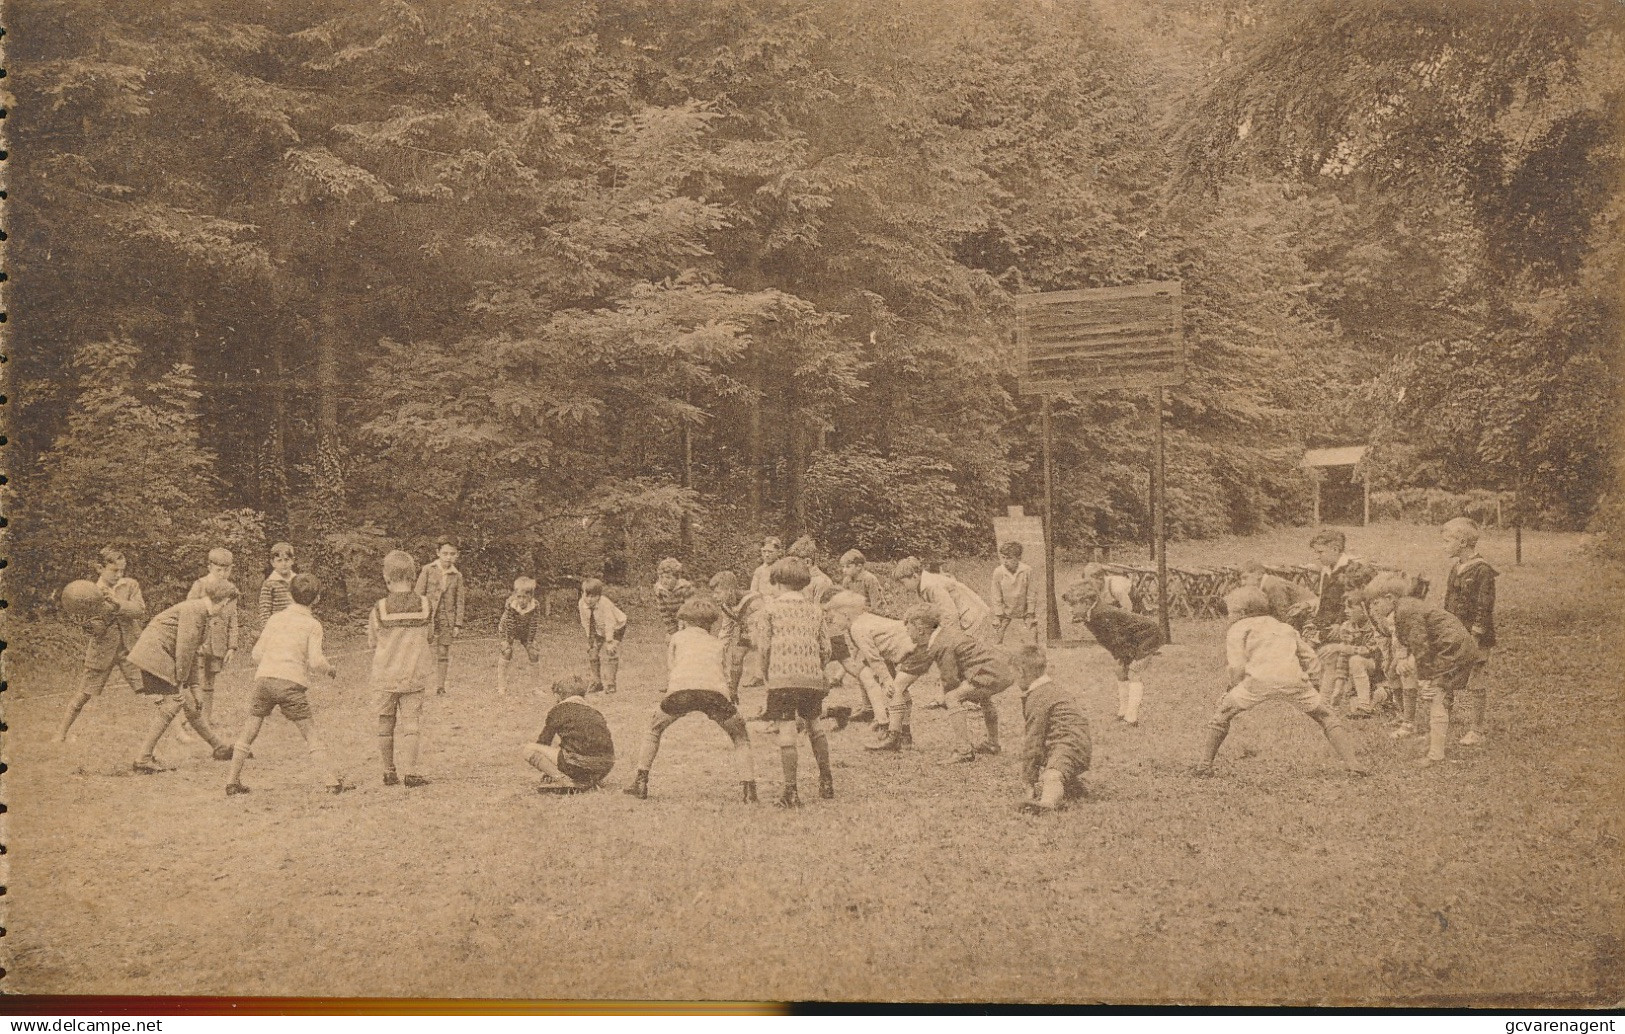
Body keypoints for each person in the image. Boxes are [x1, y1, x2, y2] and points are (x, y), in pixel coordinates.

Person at [1191, 587, 1369, 777]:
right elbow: (1310, 658)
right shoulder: (1284, 627)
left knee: (1222, 714)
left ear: (1242, 612)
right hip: (1293, 679)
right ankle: (1353, 764)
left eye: (1230, 612)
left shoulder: (1238, 628)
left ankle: (1204, 764)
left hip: (1257, 681)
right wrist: (1313, 683)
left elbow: (1237, 667)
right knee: (1326, 716)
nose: (1228, 617)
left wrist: (1231, 689)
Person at [226, 573, 351, 795]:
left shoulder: (275, 619)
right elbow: (316, 661)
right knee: (310, 733)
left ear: (289, 595)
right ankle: (331, 781)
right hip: (291, 684)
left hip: (264, 681)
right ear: (317, 598)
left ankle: (231, 781)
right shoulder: (312, 625)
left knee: (249, 730)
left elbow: (256, 654)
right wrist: (329, 669)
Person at [624, 597, 758, 803]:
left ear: (684, 620)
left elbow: (672, 667)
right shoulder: (717, 643)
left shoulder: (677, 638)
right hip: (713, 694)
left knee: (654, 729)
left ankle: (640, 781)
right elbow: (723, 674)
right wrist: (731, 695)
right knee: (740, 737)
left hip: (681, 691)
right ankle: (749, 791)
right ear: (711, 623)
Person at [1365, 573, 1481, 768]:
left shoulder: (1405, 611)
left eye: (1376, 603)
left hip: (1451, 648)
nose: (1373, 608)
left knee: (1436, 695)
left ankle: (1436, 754)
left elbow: (1421, 645)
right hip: (1446, 646)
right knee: (1436, 694)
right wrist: (1406, 661)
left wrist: (1426, 678)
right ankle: (1433, 741)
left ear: (1390, 598)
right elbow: (1411, 640)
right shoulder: (1403, 608)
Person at [126, 577, 240, 772]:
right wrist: (181, 682)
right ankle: (143, 759)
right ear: (223, 601)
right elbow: (184, 651)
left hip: (164, 656)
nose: (227, 611)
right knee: (174, 703)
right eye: (228, 605)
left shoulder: (204, 613)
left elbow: (192, 651)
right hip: (156, 655)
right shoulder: (195, 610)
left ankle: (219, 747)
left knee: (190, 704)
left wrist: (194, 687)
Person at [888, 604, 1014, 762]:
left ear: (920, 629)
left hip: (991, 672)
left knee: (952, 697)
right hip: (999, 669)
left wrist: (946, 696)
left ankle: (963, 750)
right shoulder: (945, 634)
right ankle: (992, 743)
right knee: (983, 697)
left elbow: (950, 678)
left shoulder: (940, 643)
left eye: (908, 628)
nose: (907, 633)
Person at [756, 556, 835, 807]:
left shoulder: (769, 610)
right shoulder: (815, 610)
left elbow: (764, 648)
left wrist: (766, 674)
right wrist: (817, 669)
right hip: (811, 677)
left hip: (782, 678)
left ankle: (791, 791)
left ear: (777, 582)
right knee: (815, 725)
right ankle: (826, 780)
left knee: (787, 730)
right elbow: (826, 649)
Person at [56, 547, 148, 743]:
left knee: (153, 690)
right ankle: (60, 734)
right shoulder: (88, 592)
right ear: (100, 568)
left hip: (131, 648)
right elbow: (96, 629)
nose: (119, 574)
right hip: (102, 650)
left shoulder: (130, 585)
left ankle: (177, 733)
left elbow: (139, 611)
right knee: (83, 694)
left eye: (122, 570)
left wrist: (116, 603)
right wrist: (86, 624)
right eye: (114, 570)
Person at [1062, 571, 1163, 726]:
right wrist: (1120, 658)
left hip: (1148, 635)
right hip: (1133, 638)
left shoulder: (1101, 614)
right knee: (1120, 671)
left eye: (1073, 605)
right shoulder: (1090, 614)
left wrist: (1126, 657)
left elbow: (1118, 638)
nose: (1070, 609)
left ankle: (1131, 718)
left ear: (1086, 602)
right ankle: (1123, 712)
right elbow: (1109, 640)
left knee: (1133, 672)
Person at [369, 550, 434, 788]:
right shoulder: (425, 605)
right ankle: (411, 772)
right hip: (414, 675)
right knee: (411, 725)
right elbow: (430, 636)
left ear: (386, 578)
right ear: (414, 577)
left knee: (385, 725)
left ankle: (388, 771)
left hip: (385, 677)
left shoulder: (380, 608)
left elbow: (372, 641)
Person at [824, 591, 917, 744]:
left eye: (834, 618)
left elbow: (874, 658)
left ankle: (894, 734)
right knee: (899, 690)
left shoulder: (857, 628)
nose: (833, 622)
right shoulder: (861, 621)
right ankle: (903, 734)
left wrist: (886, 680)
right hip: (906, 648)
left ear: (846, 615)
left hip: (913, 648)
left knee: (896, 689)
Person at [1441, 516, 1497, 746]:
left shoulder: (1483, 570)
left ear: (1462, 542)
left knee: (1475, 679)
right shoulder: (1455, 568)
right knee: (1446, 676)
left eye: (1447, 541)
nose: (1444, 546)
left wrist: (1475, 635)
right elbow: (1448, 602)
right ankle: (1441, 722)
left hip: (1476, 636)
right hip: (1455, 633)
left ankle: (1477, 729)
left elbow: (1485, 606)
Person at [1016, 647, 1092, 815]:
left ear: (1021, 672)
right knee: (1058, 769)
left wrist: (1028, 782)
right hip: (1075, 741)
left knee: (1051, 776)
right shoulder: (1052, 689)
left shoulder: (1038, 696)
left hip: (1068, 743)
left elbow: (1033, 741)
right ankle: (1072, 785)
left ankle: (1047, 804)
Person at [180, 547, 240, 729]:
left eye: (226, 570)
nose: (222, 574)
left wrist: (232, 646)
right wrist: (192, 640)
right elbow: (188, 611)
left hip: (218, 644)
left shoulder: (231, 590)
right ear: (209, 567)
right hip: (199, 643)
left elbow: (233, 619)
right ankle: (192, 719)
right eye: (218, 570)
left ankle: (206, 718)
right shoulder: (200, 585)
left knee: (209, 682)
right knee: (195, 682)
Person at [524, 675, 615, 792]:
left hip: (578, 764)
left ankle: (562, 780)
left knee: (529, 749)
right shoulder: (594, 712)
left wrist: (548, 769)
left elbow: (543, 742)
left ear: (558, 695)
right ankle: (588, 780)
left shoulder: (558, 710)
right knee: (570, 750)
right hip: (605, 766)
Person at [892, 556, 991, 641]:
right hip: (965, 620)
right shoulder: (921, 586)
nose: (903, 587)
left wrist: (945, 639)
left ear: (914, 576)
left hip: (974, 620)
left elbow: (950, 614)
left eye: (903, 583)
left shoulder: (932, 586)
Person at [1318, 592, 1383, 718]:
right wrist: (1339, 685)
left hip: (1378, 667)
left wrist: (1343, 647)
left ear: (1364, 609)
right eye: (1345, 608)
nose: (1346, 611)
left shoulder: (1375, 626)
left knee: (1355, 660)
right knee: (1334, 655)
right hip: (1357, 671)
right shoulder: (1347, 626)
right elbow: (1344, 656)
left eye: (1350, 607)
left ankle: (1364, 705)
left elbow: (1369, 650)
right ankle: (1325, 701)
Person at [415, 539, 466, 695]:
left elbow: (460, 601)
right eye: (445, 553)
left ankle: (440, 686)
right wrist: (417, 617)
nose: (448, 557)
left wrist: (457, 624)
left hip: (446, 619)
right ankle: (418, 684)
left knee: (443, 652)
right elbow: (418, 595)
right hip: (427, 617)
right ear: (438, 553)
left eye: (452, 554)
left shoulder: (457, 576)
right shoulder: (428, 570)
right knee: (421, 651)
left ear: (457, 555)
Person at [578, 577, 627, 694]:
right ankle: (597, 682)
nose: (589, 599)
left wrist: (610, 641)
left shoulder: (605, 603)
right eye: (587, 595)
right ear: (582, 593)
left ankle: (610, 684)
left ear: (599, 596)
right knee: (592, 652)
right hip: (598, 629)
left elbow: (610, 622)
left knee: (611, 651)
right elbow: (585, 621)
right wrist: (590, 638)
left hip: (616, 627)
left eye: (593, 596)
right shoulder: (581, 604)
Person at [1238, 560, 1317, 630]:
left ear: (1258, 574)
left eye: (1245, 578)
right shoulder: (1265, 585)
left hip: (1310, 613)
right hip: (1301, 614)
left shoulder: (1272, 585)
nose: (1242, 583)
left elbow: (1284, 614)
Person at [708, 570, 749, 702]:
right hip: (748, 631)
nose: (714, 596)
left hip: (767, 631)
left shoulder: (752, 600)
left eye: (718, 592)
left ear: (730, 591)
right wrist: (717, 650)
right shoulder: (726, 606)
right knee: (737, 656)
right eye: (713, 593)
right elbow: (726, 631)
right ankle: (732, 692)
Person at [496, 575, 542, 695]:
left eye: (524, 597)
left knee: (534, 652)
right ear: (515, 595)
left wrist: (530, 642)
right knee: (506, 652)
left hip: (525, 630)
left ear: (531, 596)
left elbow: (533, 624)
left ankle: (535, 687)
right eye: (519, 597)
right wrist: (508, 642)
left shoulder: (535, 606)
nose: (521, 600)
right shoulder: (511, 605)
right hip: (507, 630)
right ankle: (501, 687)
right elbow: (509, 624)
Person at [991, 541, 1041, 648]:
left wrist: (1030, 611)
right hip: (1006, 608)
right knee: (997, 629)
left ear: (1018, 558)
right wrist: (998, 613)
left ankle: (1035, 649)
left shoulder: (1027, 570)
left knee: (1032, 627)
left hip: (1024, 608)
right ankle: (997, 648)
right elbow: (996, 594)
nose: (1005, 561)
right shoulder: (998, 572)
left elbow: (1031, 593)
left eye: (1009, 558)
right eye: (1003, 558)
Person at [652, 558, 698, 640]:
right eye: (661, 577)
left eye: (668, 577)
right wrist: (672, 631)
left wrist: (682, 630)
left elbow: (689, 611)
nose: (664, 581)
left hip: (689, 620)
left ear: (677, 578)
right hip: (674, 619)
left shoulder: (685, 588)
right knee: (670, 639)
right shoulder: (659, 590)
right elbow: (664, 612)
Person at [258, 542, 296, 627]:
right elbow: (265, 611)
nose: (284, 564)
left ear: (292, 561)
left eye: (286, 559)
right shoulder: (269, 583)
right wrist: (268, 629)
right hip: (277, 627)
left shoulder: (297, 581)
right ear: (273, 563)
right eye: (279, 560)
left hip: (295, 626)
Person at [787, 537, 835, 604]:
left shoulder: (823, 582)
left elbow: (820, 609)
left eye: (795, 562)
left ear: (807, 562)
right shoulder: (801, 579)